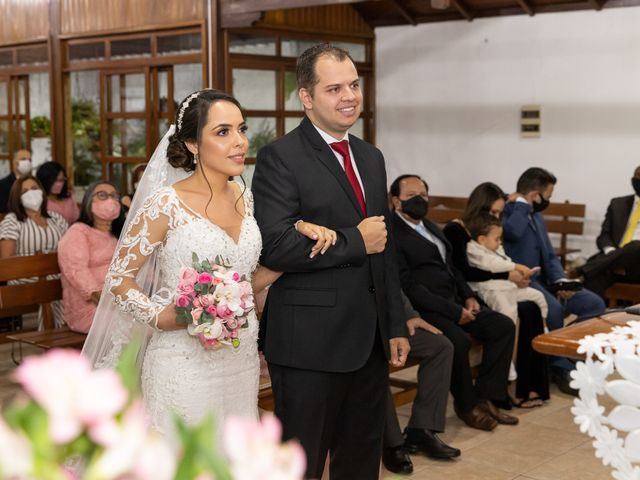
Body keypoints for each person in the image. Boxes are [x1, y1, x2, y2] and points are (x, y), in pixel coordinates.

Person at [81, 89, 333, 437]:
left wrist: (298, 230)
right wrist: (158, 316)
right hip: (182, 362)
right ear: (193, 144)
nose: (240, 142)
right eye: (223, 132)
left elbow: (247, 279)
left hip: (240, 356)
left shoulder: (248, 198)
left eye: (242, 129)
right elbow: (119, 278)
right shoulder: (165, 204)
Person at [252, 44, 410, 479]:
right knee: (301, 464)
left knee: (360, 461)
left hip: (370, 339)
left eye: (354, 85)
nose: (349, 96)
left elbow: (387, 248)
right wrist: (353, 241)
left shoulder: (371, 157)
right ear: (306, 97)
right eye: (334, 88)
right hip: (308, 344)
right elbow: (277, 245)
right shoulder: (279, 157)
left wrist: (394, 323)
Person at [390, 174, 517, 431]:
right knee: (457, 340)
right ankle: (466, 404)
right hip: (427, 308)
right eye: (412, 195)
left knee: (502, 326)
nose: (420, 200)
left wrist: (468, 297)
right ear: (395, 201)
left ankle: (485, 396)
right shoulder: (392, 233)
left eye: (424, 195)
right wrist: (453, 310)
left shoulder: (431, 226)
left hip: (456, 299)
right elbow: (407, 286)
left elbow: (452, 268)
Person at [444, 182, 550, 408]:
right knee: (512, 318)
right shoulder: (456, 229)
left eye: (499, 212)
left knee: (531, 308)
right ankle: (505, 388)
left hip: (494, 284)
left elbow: (499, 262)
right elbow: (462, 271)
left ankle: (526, 384)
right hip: (471, 291)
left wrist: (514, 277)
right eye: (492, 211)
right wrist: (507, 277)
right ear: (479, 206)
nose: (495, 216)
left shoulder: (488, 232)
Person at [502, 167, 606, 396]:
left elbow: (549, 254)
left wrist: (561, 280)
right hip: (524, 280)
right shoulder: (509, 211)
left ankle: (565, 351)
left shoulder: (536, 215)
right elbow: (512, 233)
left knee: (594, 304)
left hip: (548, 280)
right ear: (534, 194)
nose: (549, 201)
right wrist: (520, 203)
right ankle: (560, 368)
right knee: (554, 308)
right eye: (548, 196)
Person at [466, 213, 549, 400]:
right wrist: (516, 266)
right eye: (496, 239)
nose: (499, 242)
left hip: (508, 287)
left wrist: (519, 276)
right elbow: (494, 265)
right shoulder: (474, 249)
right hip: (492, 290)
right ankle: (509, 368)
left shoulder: (496, 248)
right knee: (508, 319)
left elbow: (503, 263)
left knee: (538, 296)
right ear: (481, 239)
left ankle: (544, 328)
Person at [382, 291, 458, 475]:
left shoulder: (383, 259)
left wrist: (410, 315)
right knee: (373, 365)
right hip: (354, 325)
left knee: (440, 346)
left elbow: (391, 283)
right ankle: (392, 443)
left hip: (388, 322)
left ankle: (421, 429)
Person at [0, 174, 68, 328]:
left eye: (34, 188)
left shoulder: (57, 219)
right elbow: (7, 261)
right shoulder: (13, 220)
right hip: (24, 277)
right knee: (51, 287)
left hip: (57, 275)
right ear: (17, 197)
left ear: (42, 192)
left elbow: (70, 252)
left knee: (63, 284)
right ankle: (53, 333)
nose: (31, 193)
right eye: (25, 191)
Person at [58, 181, 124, 333]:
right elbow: (77, 271)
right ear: (89, 201)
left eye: (114, 196)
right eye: (102, 195)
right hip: (89, 308)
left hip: (118, 302)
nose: (110, 200)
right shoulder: (78, 232)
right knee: (135, 325)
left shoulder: (118, 235)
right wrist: (107, 303)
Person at [575, 165, 640, 297]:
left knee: (636, 246)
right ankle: (592, 314)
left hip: (638, 265)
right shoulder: (617, 204)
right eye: (638, 176)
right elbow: (603, 236)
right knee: (594, 280)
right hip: (614, 263)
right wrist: (612, 253)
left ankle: (582, 270)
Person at [36, 161, 81, 225]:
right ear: (45, 181)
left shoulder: (69, 196)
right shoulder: (39, 201)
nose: (59, 184)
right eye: (55, 180)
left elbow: (77, 220)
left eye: (61, 180)